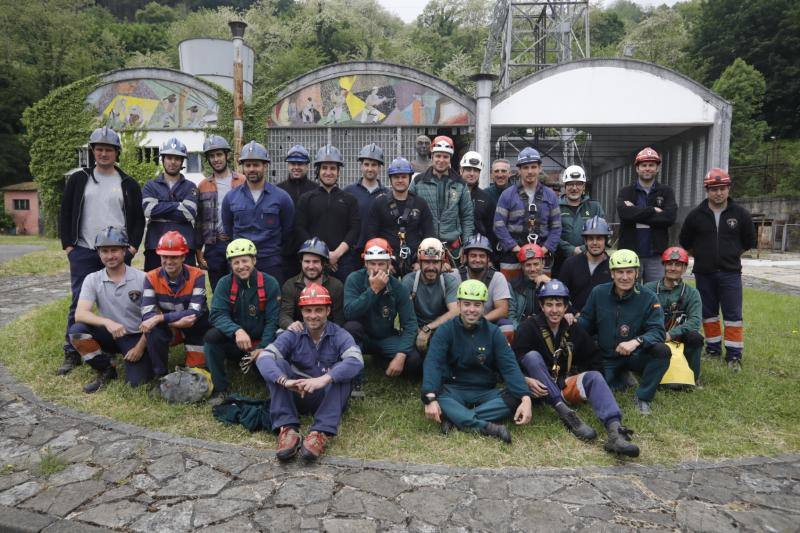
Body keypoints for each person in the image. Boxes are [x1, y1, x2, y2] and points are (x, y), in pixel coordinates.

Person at [513, 280, 640, 457]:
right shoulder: (528, 327)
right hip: (536, 389)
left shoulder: (573, 329)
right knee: (532, 357)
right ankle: (567, 416)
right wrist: (525, 380)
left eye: (559, 305)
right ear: (541, 306)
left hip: (562, 383)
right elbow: (512, 362)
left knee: (595, 376)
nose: (554, 310)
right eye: (549, 304)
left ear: (566, 307)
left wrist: (588, 386)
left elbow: (594, 357)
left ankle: (615, 433)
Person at [58, 127, 144, 376]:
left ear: (117, 153)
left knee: (122, 298)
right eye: (99, 149)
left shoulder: (128, 183)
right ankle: (72, 350)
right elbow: (65, 212)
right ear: (92, 151)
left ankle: (121, 340)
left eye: (108, 149)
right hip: (84, 249)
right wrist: (69, 245)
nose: (103, 153)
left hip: (118, 251)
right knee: (79, 301)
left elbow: (138, 219)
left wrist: (132, 246)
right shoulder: (79, 179)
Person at [252, 283, 364, 462]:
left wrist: (324, 379)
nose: (313, 316)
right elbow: (264, 357)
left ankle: (321, 432)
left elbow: (357, 360)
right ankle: (287, 429)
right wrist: (285, 381)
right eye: (308, 310)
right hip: (297, 393)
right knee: (277, 363)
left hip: (327, 396)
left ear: (328, 310)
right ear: (302, 312)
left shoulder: (340, 334)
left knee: (343, 373)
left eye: (318, 310)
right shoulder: (293, 333)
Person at [421, 280, 532, 443]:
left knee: (515, 398)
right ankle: (487, 427)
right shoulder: (445, 330)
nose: (471, 310)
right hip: (453, 389)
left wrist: (525, 398)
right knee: (436, 397)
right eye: (466, 304)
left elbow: (509, 366)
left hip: (485, 390)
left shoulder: (494, 333)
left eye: (477, 305)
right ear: (458, 304)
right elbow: (433, 363)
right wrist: (430, 398)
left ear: (483, 306)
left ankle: (454, 419)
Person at [679, 168, 756, 372]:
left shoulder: (740, 214)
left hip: (730, 273)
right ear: (707, 190)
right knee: (708, 313)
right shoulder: (696, 215)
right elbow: (685, 241)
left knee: (733, 316)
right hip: (704, 273)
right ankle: (712, 349)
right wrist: (704, 256)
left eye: (722, 188)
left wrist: (730, 256)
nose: (718, 193)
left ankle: (733, 355)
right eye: (714, 189)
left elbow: (749, 241)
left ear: (728, 188)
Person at [578, 249, 670, 415]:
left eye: (629, 272)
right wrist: (569, 324)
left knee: (662, 351)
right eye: (620, 272)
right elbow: (585, 322)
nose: (625, 277)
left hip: (635, 355)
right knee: (592, 392)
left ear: (637, 273)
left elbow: (658, 331)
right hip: (606, 356)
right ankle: (621, 378)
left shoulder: (648, 297)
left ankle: (643, 397)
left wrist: (636, 342)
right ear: (612, 273)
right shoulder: (598, 292)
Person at [69, 227, 150, 393]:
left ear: (124, 251)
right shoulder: (92, 279)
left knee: (136, 384)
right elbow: (80, 314)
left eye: (114, 250)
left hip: (135, 336)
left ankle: (139, 359)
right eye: (104, 251)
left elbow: (154, 318)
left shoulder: (143, 278)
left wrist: (140, 348)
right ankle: (106, 367)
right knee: (77, 331)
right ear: (98, 253)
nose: (110, 256)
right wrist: (107, 322)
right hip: (110, 334)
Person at [204, 239, 280, 397]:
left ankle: (260, 367)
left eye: (245, 260)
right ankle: (220, 389)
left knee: (263, 376)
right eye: (235, 262)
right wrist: (236, 330)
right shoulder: (224, 283)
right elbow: (217, 314)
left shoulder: (270, 283)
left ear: (254, 260)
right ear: (230, 264)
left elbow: (272, 321)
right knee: (211, 337)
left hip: (261, 343)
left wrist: (263, 347)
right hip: (236, 342)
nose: (241, 266)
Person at [344, 238, 420, 377]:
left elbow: (410, 324)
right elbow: (349, 313)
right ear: (365, 264)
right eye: (372, 264)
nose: (377, 269)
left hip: (385, 337)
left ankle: (382, 361)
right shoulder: (354, 279)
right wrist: (373, 290)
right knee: (351, 327)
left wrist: (401, 356)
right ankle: (355, 375)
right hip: (362, 337)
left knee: (413, 361)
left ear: (389, 264)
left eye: (381, 264)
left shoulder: (398, 287)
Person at [221, 141, 294, 284]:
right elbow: (229, 230)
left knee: (272, 303)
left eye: (256, 165)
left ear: (265, 166)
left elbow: (287, 231)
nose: (252, 169)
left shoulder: (281, 197)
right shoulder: (231, 198)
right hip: (241, 262)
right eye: (248, 165)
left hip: (270, 262)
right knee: (240, 302)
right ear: (243, 167)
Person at [140, 231, 210, 376]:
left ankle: (196, 354)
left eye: (174, 257)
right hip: (173, 327)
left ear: (184, 256)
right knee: (152, 331)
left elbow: (194, 313)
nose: (169, 261)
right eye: (165, 256)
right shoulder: (150, 277)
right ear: (159, 256)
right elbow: (148, 314)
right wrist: (175, 324)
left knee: (196, 372)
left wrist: (160, 318)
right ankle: (160, 373)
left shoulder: (198, 275)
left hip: (196, 327)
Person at [294, 145, 360, 283]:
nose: (328, 172)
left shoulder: (350, 200)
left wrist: (336, 254)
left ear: (338, 172)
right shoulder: (306, 199)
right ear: (318, 171)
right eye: (324, 168)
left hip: (343, 263)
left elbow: (354, 229)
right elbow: (299, 228)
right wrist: (320, 254)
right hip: (314, 263)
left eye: (332, 168)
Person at [494, 147, 561, 281]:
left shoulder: (550, 196)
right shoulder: (507, 195)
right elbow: (498, 225)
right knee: (510, 293)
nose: (530, 171)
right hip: (512, 256)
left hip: (542, 257)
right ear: (519, 170)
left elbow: (556, 227)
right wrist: (516, 249)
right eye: (525, 167)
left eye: (533, 167)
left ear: (540, 168)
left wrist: (544, 250)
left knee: (541, 293)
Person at [616, 147, 677, 283]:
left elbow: (669, 217)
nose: (647, 168)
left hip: (656, 256)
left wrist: (636, 212)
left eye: (651, 165)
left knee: (656, 296)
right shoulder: (626, 192)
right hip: (630, 256)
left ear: (657, 168)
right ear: (637, 168)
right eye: (644, 165)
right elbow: (624, 214)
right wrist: (652, 210)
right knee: (630, 295)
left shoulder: (666, 192)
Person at [410, 135, 474, 263]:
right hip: (425, 246)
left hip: (453, 248)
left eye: (445, 156)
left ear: (450, 158)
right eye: (438, 156)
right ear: (432, 156)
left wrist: (467, 247)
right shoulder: (417, 182)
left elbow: (467, 217)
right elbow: (409, 213)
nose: (441, 160)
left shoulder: (460, 184)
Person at [366, 157, 434, 276]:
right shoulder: (379, 203)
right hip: (386, 262)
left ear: (409, 178)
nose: (400, 180)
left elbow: (429, 235)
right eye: (396, 177)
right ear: (390, 179)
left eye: (403, 177)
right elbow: (371, 235)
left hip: (415, 263)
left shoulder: (420, 203)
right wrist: (383, 262)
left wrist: (421, 262)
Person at [645, 246, 703, 381]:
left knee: (695, 337)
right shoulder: (648, 289)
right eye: (669, 264)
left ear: (684, 268)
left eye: (677, 265)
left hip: (678, 336)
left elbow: (695, 321)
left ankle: (693, 375)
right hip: (653, 336)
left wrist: (671, 334)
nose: (673, 268)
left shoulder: (692, 293)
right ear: (664, 265)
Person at [195, 135, 245, 291]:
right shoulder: (203, 186)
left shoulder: (242, 182)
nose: (216, 159)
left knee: (240, 288)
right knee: (218, 290)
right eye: (212, 156)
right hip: (214, 246)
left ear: (226, 155)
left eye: (219, 155)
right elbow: (199, 221)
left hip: (238, 243)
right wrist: (198, 251)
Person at [142, 137, 199, 272]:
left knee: (187, 287)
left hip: (185, 246)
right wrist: (177, 204)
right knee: (153, 287)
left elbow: (189, 213)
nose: (173, 162)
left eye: (177, 158)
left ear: (182, 162)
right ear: (162, 159)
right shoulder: (150, 186)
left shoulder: (191, 187)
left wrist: (161, 206)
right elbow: (149, 211)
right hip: (155, 245)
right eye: (169, 157)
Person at [401, 238, 460, 354]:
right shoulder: (409, 281)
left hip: (442, 329)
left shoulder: (449, 281)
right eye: (427, 262)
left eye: (436, 262)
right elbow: (404, 315)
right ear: (420, 262)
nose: (431, 267)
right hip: (414, 330)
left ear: (442, 263)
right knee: (413, 362)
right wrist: (419, 333)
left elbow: (456, 311)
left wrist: (428, 328)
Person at [458, 234, 516, 342]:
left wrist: (478, 321)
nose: (477, 259)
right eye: (473, 255)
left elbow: (503, 310)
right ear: (466, 257)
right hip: (459, 325)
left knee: (506, 326)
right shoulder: (455, 275)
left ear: (488, 258)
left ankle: (502, 357)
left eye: (482, 256)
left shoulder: (497, 277)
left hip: (487, 325)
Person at [279, 238, 345, 331]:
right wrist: (291, 324)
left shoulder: (336, 286)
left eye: (315, 261)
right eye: (307, 261)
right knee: (281, 332)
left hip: (328, 334)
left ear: (324, 263)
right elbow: (284, 315)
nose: (311, 266)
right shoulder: (290, 285)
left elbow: (339, 320)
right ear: (301, 262)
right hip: (298, 333)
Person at [554, 165, 604, 278]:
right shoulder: (555, 207)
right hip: (561, 261)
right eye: (571, 184)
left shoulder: (594, 207)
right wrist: (570, 250)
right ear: (565, 186)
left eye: (578, 184)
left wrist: (583, 249)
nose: (574, 188)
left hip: (589, 260)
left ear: (584, 186)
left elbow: (602, 233)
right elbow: (551, 232)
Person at [277, 144, 316, 281]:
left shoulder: (316, 190)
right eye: (293, 163)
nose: (296, 167)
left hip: (311, 252)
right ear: (288, 165)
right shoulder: (278, 191)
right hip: (286, 252)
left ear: (307, 166)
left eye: (300, 164)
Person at [559, 216, 612, 313]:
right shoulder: (570, 264)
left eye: (599, 238)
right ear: (585, 241)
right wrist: (573, 314)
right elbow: (561, 296)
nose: (594, 243)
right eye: (591, 238)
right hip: (575, 321)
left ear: (606, 240)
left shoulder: (613, 266)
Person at [344, 143, 386, 254]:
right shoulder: (348, 192)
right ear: (361, 166)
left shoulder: (387, 194)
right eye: (366, 164)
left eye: (374, 165)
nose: (370, 169)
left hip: (378, 253)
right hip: (353, 252)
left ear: (379, 167)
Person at [460, 151, 497, 253]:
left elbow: (491, 230)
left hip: (479, 252)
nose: (472, 173)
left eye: (476, 170)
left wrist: (489, 256)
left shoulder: (486, 198)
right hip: (455, 250)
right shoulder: (451, 195)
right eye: (468, 169)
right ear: (461, 170)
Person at [510, 243, 550, 325]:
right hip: (522, 329)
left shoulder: (549, 283)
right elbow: (511, 318)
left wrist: (551, 284)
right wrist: (524, 330)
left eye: (536, 264)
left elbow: (564, 308)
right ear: (522, 266)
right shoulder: (513, 286)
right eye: (528, 265)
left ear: (543, 264)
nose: (532, 269)